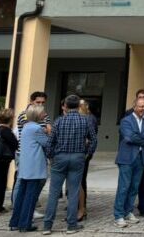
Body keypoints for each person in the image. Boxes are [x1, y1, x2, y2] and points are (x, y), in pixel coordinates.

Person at [43, 95, 97, 235]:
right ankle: (71, 225)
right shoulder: (85, 120)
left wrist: (51, 156)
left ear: (65, 106)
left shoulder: (59, 121)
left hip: (60, 157)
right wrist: (86, 154)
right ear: (79, 106)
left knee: (54, 192)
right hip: (78, 157)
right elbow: (94, 140)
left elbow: (50, 142)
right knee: (73, 192)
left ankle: (47, 226)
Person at [113, 98, 144, 228]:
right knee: (124, 187)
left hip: (141, 158)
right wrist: (143, 137)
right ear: (134, 106)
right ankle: (118, 215)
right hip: (127, 158)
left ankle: (128, 212)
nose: (143, 109)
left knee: (134, 187)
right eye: (140, 106)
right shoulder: (126, 120)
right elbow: (129, 137)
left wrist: (139, 136)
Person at [9, 104, 50, 233]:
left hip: (25, 165)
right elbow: (47, 143)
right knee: (30, 196)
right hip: (34, 167)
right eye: (43, 113)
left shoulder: (26, 126)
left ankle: (15, 222)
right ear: (38, 115)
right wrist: (49, 133)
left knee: (21, 194)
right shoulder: (37, 128)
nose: (45, 115)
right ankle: (25, 223)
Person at [13, 91, 51, 213]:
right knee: (22, 181)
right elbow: (32, 130)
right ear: (31, 101)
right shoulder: (24, 115)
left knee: (41, 180)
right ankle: (18, 208)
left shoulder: (44, 115)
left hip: (40, 153)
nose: (40, 104)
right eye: (37, 102)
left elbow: (49, 129)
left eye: (43, 103)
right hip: (24, 153)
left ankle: (30, 205)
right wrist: (45, 129)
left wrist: (46, 129)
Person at [76, 99, 97, 221]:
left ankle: (82, 208)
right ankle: (77, 206)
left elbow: (92, 138)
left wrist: (88, 153)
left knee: (81, 180)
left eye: (80, 104)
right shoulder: (78, 117)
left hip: (83, 154)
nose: (78, 107)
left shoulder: (90, 118)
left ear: (86, 106)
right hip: (77, 153)